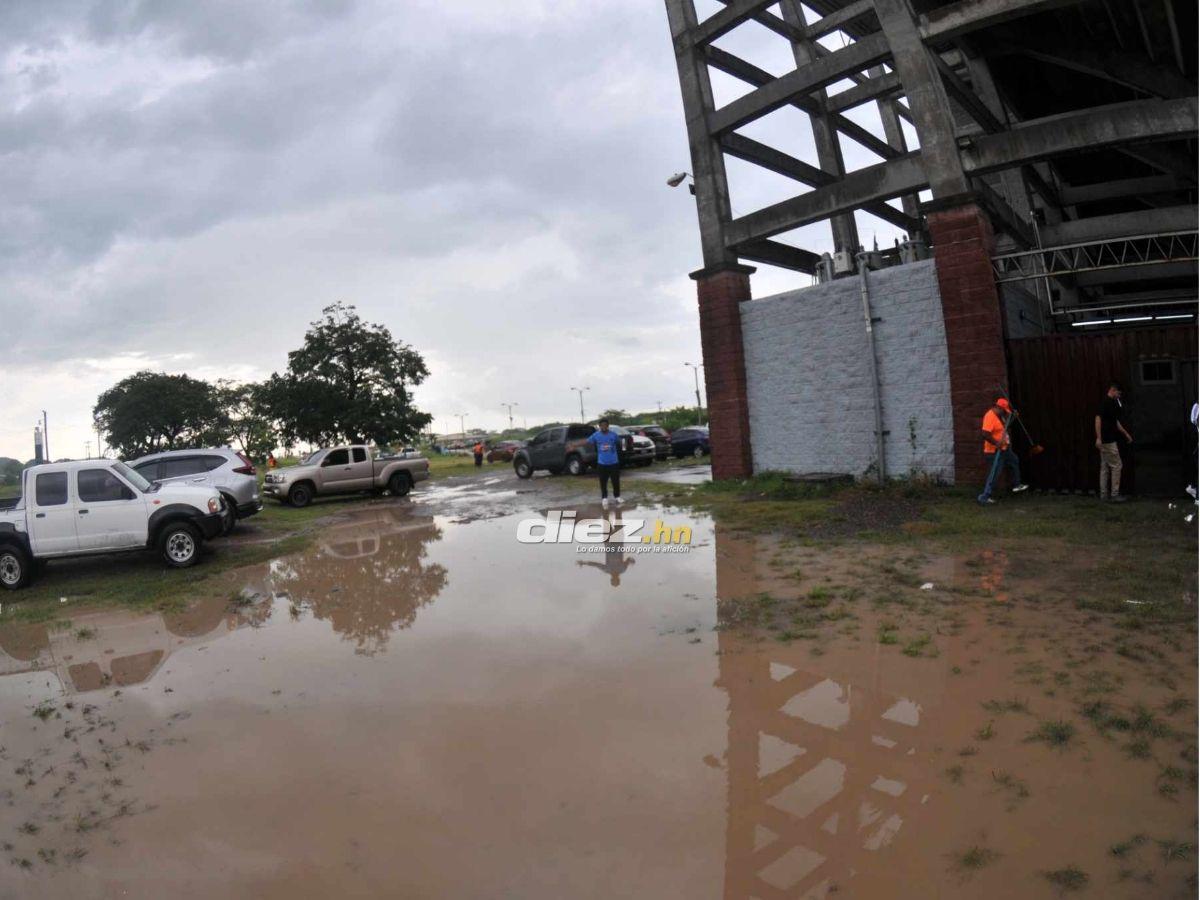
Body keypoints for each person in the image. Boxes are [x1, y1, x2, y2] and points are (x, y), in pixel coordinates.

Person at [978, 397, 1029, 505]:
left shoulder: (1000, 416)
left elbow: (1004, 428)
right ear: (999, 407)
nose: (1005, 413)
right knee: (994, 474)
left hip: (1005, 449)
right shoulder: (990, 416)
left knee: (1014, 460)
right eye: (1004, 411)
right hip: (994, 451)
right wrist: (996, 443)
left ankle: (1016, 484)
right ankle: (985, 496)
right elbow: (985, 434)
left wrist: (1013, 418)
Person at [1095, 382, 1133, 502]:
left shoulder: (1112, 403)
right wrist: (1099, 437)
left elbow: (1114, 422)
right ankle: (1115, 494)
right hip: (1108, 440)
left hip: (1106, 440)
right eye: (1118, 393)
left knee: (1105, 467)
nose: (1119, 395)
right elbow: (1098, 419)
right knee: (1117, 465)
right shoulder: (1106, 403)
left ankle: (1103, 495)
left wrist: (1126, 434)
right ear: (1113, 390)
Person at [588, 418, 622, 509]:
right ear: (599, 426)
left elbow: (619, 444)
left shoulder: (613, 435)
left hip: (614, 462)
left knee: (615, 481)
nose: (603, 427)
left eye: (605, 425)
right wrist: (574, 445)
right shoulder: (596, 435)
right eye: (601, 425)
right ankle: (604, 498)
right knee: (603, 482)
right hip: (602, 463)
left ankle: (617, 497)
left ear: (608, 426)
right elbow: (587, 441)